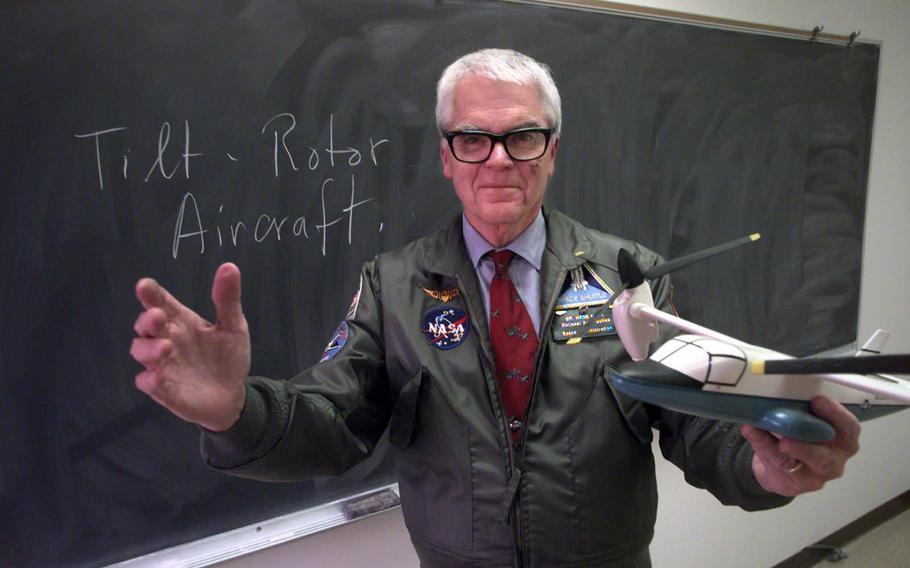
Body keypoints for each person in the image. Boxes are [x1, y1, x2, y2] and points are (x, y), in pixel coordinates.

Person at [130, 49, 860, 567]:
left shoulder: (631, 275)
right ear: (447, 155)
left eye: (523, 135)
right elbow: (335, 423)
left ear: (553, 149)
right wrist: (235, 411)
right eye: (473, 139)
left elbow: (696, 426)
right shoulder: (391, 286)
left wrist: (766, 469)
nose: (499, 159)